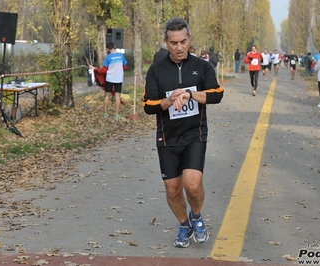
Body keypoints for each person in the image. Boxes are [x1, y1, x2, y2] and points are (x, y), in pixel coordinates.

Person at [142, 17, 223, 248]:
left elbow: (217, 94)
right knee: (173, 188)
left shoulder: (202, 66)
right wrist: (167, 102)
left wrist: (189, 94)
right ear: (166, 42)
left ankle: (196, 216)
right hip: (167, 138)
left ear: (189, 40)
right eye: (174, 42)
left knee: (193, 184)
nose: (179, 47)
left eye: (183, 42)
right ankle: (184, 224)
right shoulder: (156, 70)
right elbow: (148, 106)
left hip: (194, 135)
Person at [92, 42, 127, 120]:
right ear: (114, 46)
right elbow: (125, 68)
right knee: (117, 96)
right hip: (118, 79)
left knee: (107, 95)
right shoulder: (121, 56)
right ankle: (117, 115)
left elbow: (103, 70)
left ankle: (105, 113)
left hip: (110, 79)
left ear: (108, 49)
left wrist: (95, 69)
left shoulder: (108, 57)